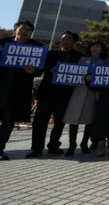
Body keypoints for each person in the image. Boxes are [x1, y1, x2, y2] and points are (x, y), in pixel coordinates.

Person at [26, 31, 82, 158]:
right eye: (63, 38)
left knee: (59, 122)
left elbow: (82, 72)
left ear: (74, 42)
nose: (65, 41)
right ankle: (36, 148)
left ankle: (53, 145)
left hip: (65, 95)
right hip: (47, 93)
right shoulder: (50, 54)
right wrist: (45, 70)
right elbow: (39, 69)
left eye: (68, 39)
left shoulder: (79, 56)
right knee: (39, 121)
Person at [0, 20, 43, 160]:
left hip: (18, 91)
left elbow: (40, 69)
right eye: (22, 28)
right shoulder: (2, 43)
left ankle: (0, 148)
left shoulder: (36, 48)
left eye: (28, 30)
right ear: (15, 30)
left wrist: (33, 71)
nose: (24, 31)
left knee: (9, 120)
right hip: (1, 85)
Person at [63, 41, 109, 156]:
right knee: (74, 119)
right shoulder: (82, 59)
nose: (95, 48)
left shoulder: (106, 61)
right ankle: (72, 144)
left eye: (98, 46)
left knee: (90, 119)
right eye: (93, 45)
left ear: (102, 50)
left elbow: (107, 76)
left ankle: (84, 143)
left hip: (94, 93)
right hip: (79, 91)